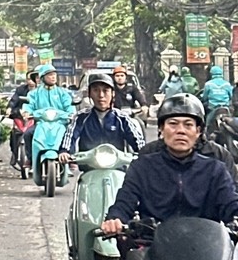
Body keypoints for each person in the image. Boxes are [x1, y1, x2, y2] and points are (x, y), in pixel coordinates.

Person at [101, 94, 238, 234]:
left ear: (198, 132)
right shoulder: (142, 166)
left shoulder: (215, 169)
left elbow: (230, 202)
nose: (181, 131)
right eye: (173, 124)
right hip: (153, 243)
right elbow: (125, 201)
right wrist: (115, 219)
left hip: (207, 243)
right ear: (161, 128)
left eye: (188, 125)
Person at [59, 71, 143, 160]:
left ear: (113, 93)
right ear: (90, 94)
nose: (101, 95)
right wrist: (64, 151)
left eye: (105, 90)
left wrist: (143, 152)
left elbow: (137, 141)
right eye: (96, 90)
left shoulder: (122, 118)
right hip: (88, 166)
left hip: (117, 165)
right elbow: (70, 136)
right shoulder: (81, 117)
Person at [23, 65, 74, 167]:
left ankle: (70, 157)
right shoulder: (34, 93)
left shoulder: (63, 92)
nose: (53, 77)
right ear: (42, 77)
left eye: (54, 74)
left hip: (60, 123)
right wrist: (27, 112)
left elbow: (69, 106)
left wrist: (71, 113)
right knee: (28, 134)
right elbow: (29, 105)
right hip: (41, 123)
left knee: (71, 134)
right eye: (50, 75)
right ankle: (30, 158)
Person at [7, 71, 38, 165]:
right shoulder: (20, 89)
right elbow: (14, 100)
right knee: (14, 134)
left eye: (33, 79)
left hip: (36, 117)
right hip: (20, 115)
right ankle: (14, 153)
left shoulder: (41, 90)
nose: (31, 81)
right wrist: (9, 108)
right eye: (29, 79)